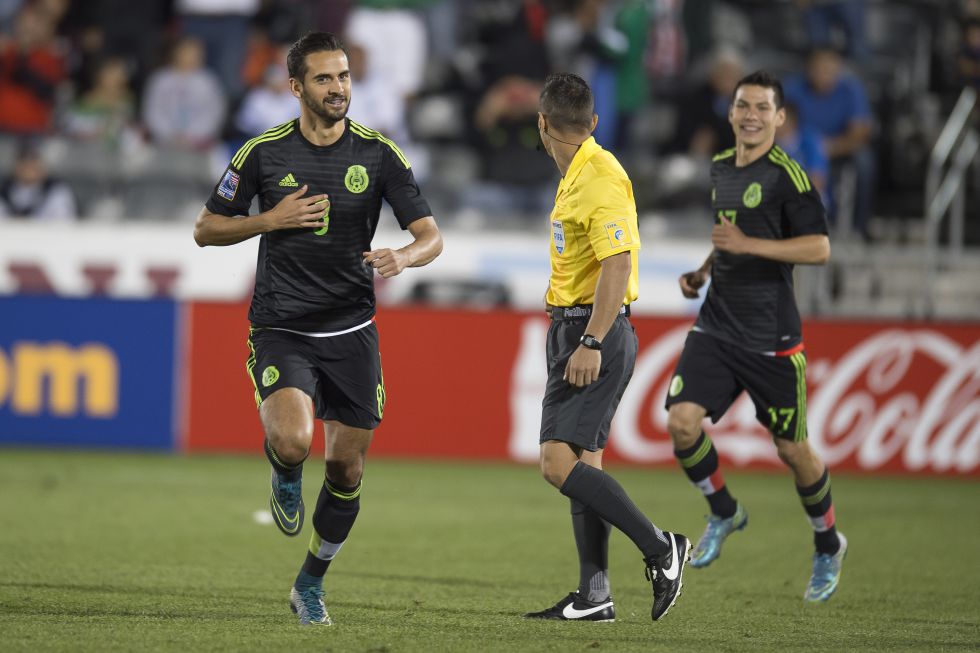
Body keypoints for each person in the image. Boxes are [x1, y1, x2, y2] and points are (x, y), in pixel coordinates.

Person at [193, 31, 443, 626]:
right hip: (281, 325)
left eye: (345, 76)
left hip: (352, 329)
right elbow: (205, 228)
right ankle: (283, 473)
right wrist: (270, 219)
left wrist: (403, 257)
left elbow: (431, 236)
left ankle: (310, 583)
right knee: (294, 442)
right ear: (296, 87)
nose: (339, 89)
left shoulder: (379, 154)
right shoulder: (262, 153)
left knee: (346, 470)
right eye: (326, 79)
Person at [664, 71, 846, 603]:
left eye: (763, 108)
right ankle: (725, 512)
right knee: (681, 423)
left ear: (780, 118)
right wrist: (703, 270)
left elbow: (818, 249)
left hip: (772, 338)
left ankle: (828, 543)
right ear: (730, 112)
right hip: (718, 324)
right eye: (744, 105)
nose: (751, 115)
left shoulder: (790, 177)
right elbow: (728, 235)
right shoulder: (721, 167)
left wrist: (750, 245)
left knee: (793, 451)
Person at [523, 72, 689, 624]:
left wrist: (591, 340)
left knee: (555, 463)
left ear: (542, 123)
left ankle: (663, 549)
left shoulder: (599, 176)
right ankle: (594, 596)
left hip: (593, 332)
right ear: (592, 122)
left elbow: (618, 263)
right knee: (585, 467)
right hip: (577, 328)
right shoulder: (581, 172)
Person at [784, 47, 874, 240]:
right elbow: (782, 125)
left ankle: (858, 227)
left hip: (838, 149)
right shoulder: (794, 88)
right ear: (809, 68)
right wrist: (811, 148)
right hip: (801, 148)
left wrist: (829, 148)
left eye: (829, 68)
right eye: (819, 68)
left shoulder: (851, 90)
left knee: (864, 162)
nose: (823, 74)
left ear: (838, 69)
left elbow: (860, 133)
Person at [0, 139, 77, 220]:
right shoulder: (3, 191)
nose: (29, 166)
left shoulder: (57, 191)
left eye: (34, 160)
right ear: (15, 165)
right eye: (24, 161)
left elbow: (65, 223)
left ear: (44, 165)